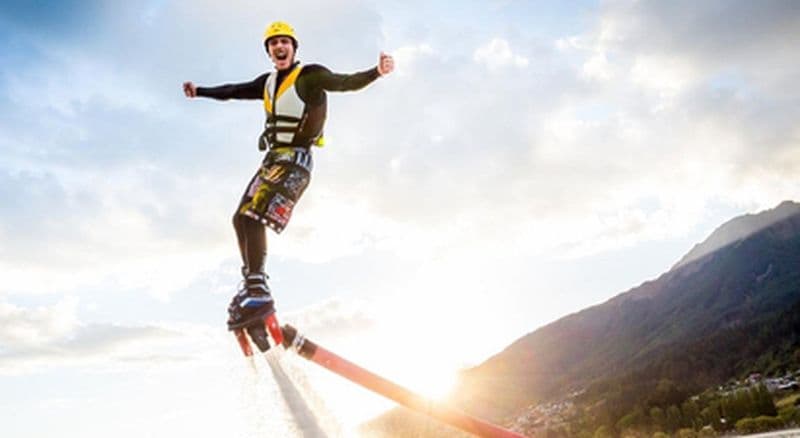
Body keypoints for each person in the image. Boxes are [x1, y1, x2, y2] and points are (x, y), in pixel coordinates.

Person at [183, 21, 394, 331]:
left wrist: (376, 72)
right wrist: (199, 91)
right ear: (269, 51)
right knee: (240, 218)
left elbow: (344, 82)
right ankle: (252, 284)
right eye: (273, 43)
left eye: (284, 41)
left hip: (296, 160)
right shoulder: (266, 83)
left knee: (254, 217)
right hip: (273, 160)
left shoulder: (309, 76)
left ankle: (258, 290)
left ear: (293, 48)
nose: (279, 47)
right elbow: (232, 91)